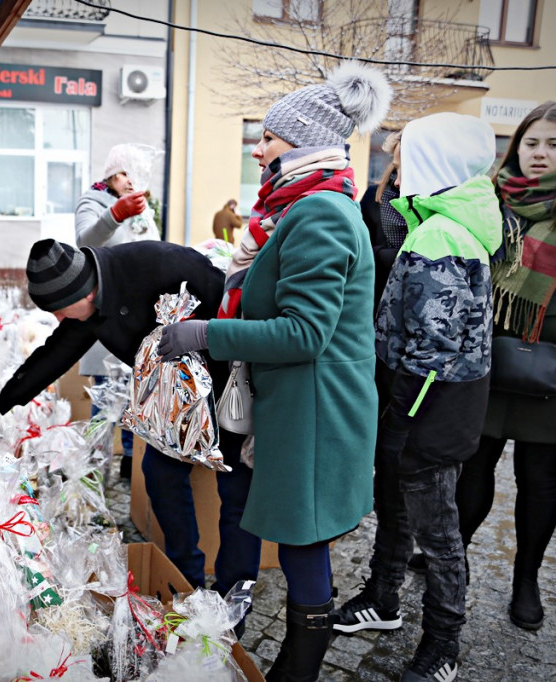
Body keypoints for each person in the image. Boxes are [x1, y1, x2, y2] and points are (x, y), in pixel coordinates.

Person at [157, 61, 390, 681]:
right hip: (303, 403)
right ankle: (297, 661)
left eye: (269, 138)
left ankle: (300, 666)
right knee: (296, 538)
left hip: (314, 409)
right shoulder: (309, 207)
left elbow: (304, 333)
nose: (258, 149)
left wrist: (205, 332)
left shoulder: (319, 213)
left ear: (305, 143)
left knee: (302, 539)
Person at [0, 238, 261, 599]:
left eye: (58, 310)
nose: (58, 319)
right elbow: (56, 352)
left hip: (229, 386)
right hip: (172, 403)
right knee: (160, 473)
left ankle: (236, 595)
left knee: (237, 493)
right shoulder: (89, 301)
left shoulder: (162, 263)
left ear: (85, 293)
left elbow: (235, 309)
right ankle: (186, 578)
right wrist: (1, 399)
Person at [329, 113, 501, 682]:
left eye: (403, 153)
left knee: (438, 529)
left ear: (435, 161)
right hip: (439, 397)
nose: (394, 163)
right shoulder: (451, 219)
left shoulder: (439, 235)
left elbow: (431, 343)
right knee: (398, 504)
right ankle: (382, 597)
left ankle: (443, 645)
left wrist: (400, 416)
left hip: (429, 402)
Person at [452, 101, 556, 632]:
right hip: (491, 353)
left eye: (554, 144)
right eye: (532, 142)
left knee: (538, 475)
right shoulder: (491, 199)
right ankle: (449, 558)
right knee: (475, 462)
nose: (540, 154)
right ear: (516, 145)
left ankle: (526, 582)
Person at [74, 143, 159, 479]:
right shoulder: (92, 200)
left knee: (134, 392)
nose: (128, 180)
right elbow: (85, 241)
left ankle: (128, 463)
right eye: (123, 173)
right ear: (110, 173)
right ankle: (93, 465)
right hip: (109, 311)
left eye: (134, 174)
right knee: (106, 393)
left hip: (138, 313)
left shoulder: (142, 207)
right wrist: (115, 215)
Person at [360, 130, 407, 311]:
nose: (398, 180)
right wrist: (385, 255)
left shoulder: (438, 209)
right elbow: (359, 251)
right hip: (375, 301)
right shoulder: (376, 197)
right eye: (397, 167)